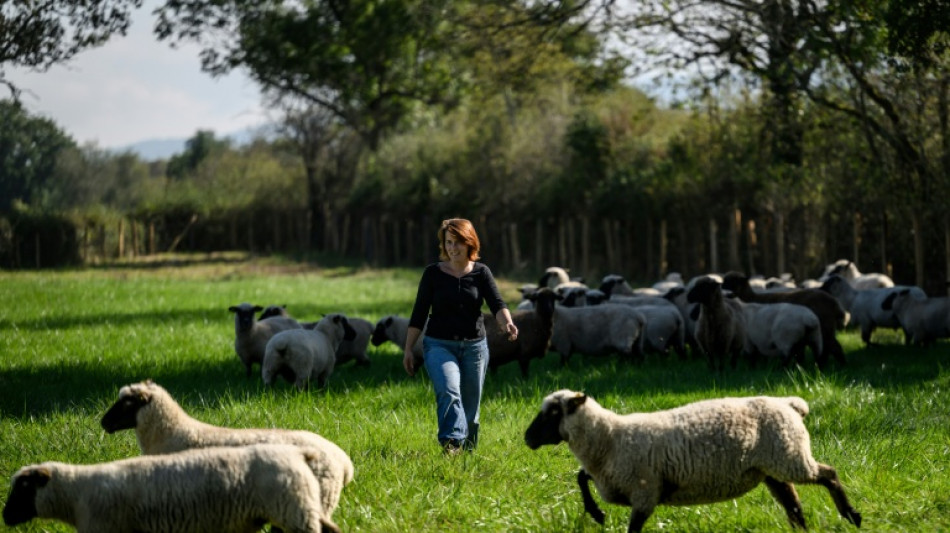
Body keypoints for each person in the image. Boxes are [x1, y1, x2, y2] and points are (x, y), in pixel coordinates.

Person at [403, 218, 518, 454]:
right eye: (448, 242)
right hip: (438, 345)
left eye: (457, 242)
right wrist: (408, 349)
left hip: (474, 347)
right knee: (449, 390)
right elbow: (419, 313)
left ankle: (468, 451)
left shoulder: (481, 272)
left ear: (469, 243)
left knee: (470, 405)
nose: (452, 248)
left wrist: (507, 323)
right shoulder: (432, 273)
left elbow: (497, 303)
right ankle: (451, 444)